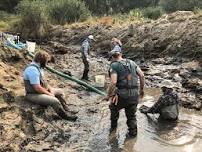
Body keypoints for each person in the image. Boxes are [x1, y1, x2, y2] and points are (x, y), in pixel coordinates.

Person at [23, 51, 77, 121]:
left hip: (41, 91)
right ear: (41, 61)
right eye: (46, 62)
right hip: (33, 94)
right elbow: (37, 88)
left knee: (60, 91)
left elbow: (44, 82)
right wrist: (49, 94)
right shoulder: (32, 70)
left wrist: (50, 89)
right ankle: (65, 116)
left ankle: (66, 109)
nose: (46, 64)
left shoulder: (39, 68)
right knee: (54, 101)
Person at [107, 48, 145, 137]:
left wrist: (108, 95)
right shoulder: (132, 62)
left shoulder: (114, 66)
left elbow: (113, 82)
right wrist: (141, 90)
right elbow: (142, 76)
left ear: (112, 57)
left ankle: (113, 129)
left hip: (121, 95)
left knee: (114, 109)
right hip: (134, 95)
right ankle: (133, 135)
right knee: (131, 116)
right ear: (120, 55)